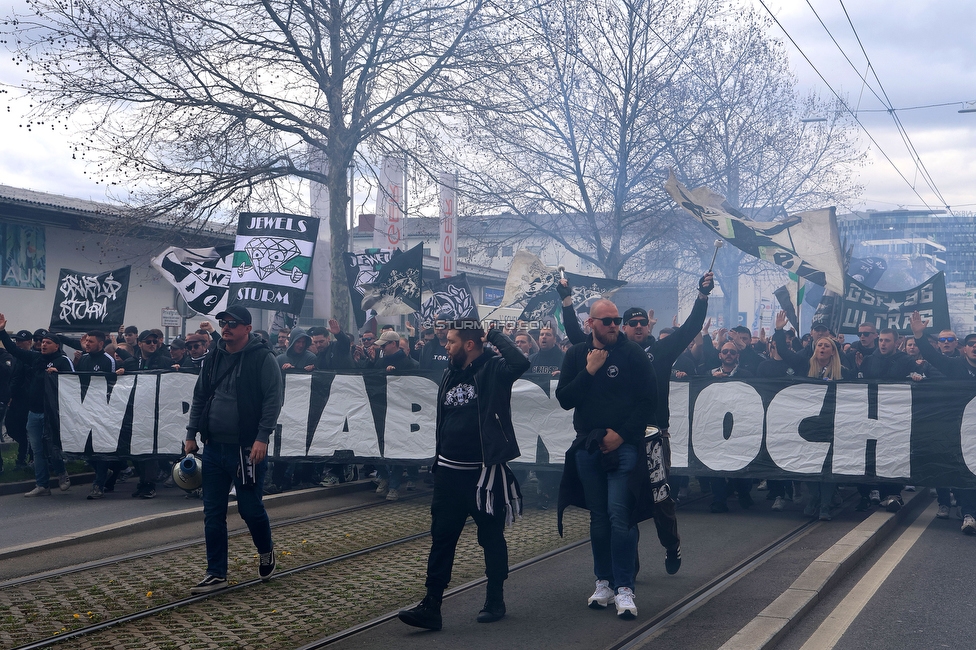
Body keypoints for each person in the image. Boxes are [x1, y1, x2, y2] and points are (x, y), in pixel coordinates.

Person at [398, 319, 530, 630]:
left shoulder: (495, 369)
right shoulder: (449, 373)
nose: (445, 346)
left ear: (469, 345)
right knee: (442, 539)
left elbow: (521, 361)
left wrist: (493, 334)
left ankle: (494, 598)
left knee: (491, 537)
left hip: (483, 475)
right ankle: (431, 605)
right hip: (447, 473)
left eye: (452, 341)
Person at [555, 299, 657, 620]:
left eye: (617, 320)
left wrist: (623, 435)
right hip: (588, 445)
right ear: (591, 324)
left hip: (623, 446)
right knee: (598, 517)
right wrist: (589, 370)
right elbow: (565, 399)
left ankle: (625, 587)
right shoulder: (575, 355)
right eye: (608, 321)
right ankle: (604, 582)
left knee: (619, 515)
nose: (614, 325)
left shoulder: (633, 354)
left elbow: (648, 400)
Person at [184, 305, 283, 594]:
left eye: (232, 323)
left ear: (247, 329)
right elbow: (200, 394)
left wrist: (262, 437)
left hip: (246, 450)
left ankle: (266, 551)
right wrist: (191, 433)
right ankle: (216, 572)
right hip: (214, 447)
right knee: (212, 512)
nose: (225, 327)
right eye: (222, 322)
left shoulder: (263, 358)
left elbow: (272, 400)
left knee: (250, 510)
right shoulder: (214, 355)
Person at [0, 318, 73, 496]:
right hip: (34, 412)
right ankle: (42, 485)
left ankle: (62, 473)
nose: (43, 345)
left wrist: (59, 375)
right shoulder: (35, 358)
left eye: (48, 342)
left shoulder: (63, 361)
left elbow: (73, 384)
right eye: (42, 342)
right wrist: (2, 331)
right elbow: (13, 349)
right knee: (38, 450)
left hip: (52, 413)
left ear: (57, 346)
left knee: (52, 447)